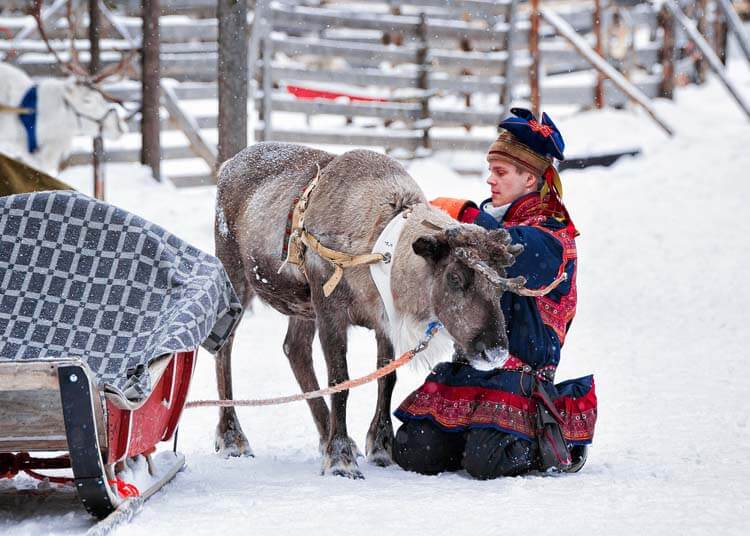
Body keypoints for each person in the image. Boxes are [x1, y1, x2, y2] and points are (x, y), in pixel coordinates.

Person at [393, 108, 597, 479]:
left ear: (530, 179)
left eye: (501, 172)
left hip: (520, 375)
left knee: (488, 462)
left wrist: (464, 215)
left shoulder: (552, 234)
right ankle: (472, 433)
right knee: (413, 452)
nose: (490, 180)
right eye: (490, 170)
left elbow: (511, 249)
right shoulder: (485, 225)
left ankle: (558, 433)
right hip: (473, 363)